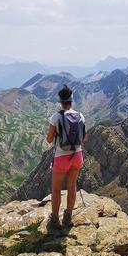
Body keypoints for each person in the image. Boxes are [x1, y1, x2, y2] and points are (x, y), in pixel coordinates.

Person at [46, 84, 87, 229]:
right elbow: (84, 138)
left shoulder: (56, 117)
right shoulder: (80, 116)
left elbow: (49, 139)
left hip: (61, 157)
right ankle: (68, 217)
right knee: (72, 186)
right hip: (77, 155)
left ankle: (55, 219)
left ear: (60, 101)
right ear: (72, 100)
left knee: (56, 189)